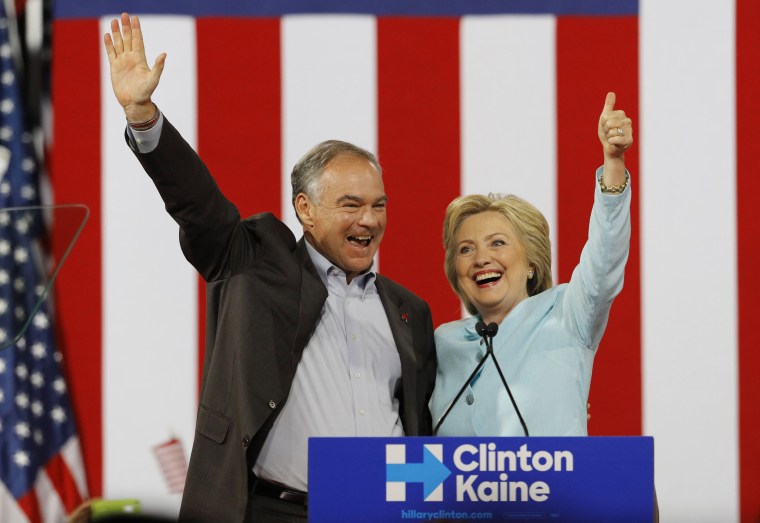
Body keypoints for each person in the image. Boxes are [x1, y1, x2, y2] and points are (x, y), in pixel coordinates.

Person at [103, 13, 436, 523]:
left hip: (384, 510)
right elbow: (199, 206)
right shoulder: (254, 262)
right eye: (350, 204)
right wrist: (144, 118)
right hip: (277, 511)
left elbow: (424, 421)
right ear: (305, 208)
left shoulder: (409, 311)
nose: (369, 219)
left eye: (379, 204)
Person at [429, 92, 632, 437]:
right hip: (456, 491)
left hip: (552, 491)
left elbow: (604, 261)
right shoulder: (443, 342)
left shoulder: (567, 315)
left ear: (531, 264)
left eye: (498, 243)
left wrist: (613, 165)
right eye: (465, 249)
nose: (481, 258)